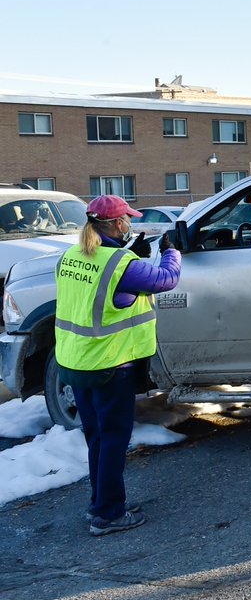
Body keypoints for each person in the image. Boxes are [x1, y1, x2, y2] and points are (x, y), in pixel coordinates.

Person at [54, 195, 181, 536]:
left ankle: (101, 503)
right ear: (114, 224)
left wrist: (131, 259)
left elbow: (100, 288)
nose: (130, 224)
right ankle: (108, 515)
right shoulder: (120, 263)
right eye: (127, 219)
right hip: (110, 365)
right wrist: (172, 251)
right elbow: (166, 279)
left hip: (76, 361)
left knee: (96, 436)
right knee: (113, 438)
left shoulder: (71, 255)